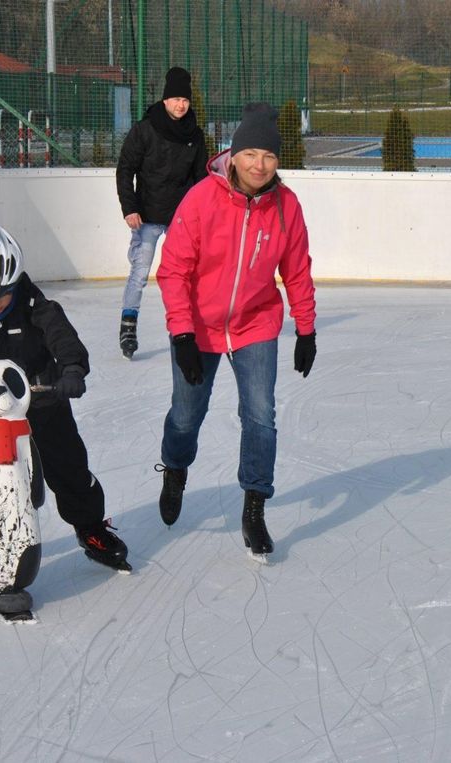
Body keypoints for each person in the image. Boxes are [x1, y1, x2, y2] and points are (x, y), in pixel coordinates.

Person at [0, 220, 130, 571]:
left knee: (67, 467)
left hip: (40, 398)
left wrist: (72, 369)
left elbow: (60, 333)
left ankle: (91, 528)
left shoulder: (32, 300)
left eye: (3, 292)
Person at [154, 102, 318, 559]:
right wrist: (182, 334)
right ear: (235, 152)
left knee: (261, 416)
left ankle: (253, 507)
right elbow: (173, 271)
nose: (259, 165)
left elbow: (298, 271)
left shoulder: (285, 207)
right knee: (186, 416)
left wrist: (306, 329)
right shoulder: (203, 198)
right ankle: (174, 468)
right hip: (199, 326)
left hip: (255, 323)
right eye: (251, 155)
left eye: (269, 157)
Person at [115, 67, 209, 359]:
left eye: (186, 99)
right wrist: (130, 208)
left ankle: (193, 324)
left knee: (190, 273)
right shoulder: (145, 130)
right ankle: (128, 325)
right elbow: (125, 169)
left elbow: (203, 180)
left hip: (182, 218)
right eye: (176, 98)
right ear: (166, 99)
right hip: (147, 215)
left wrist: (201, 217)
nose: (181, 104)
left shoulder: (194, 135)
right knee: (140, 271)